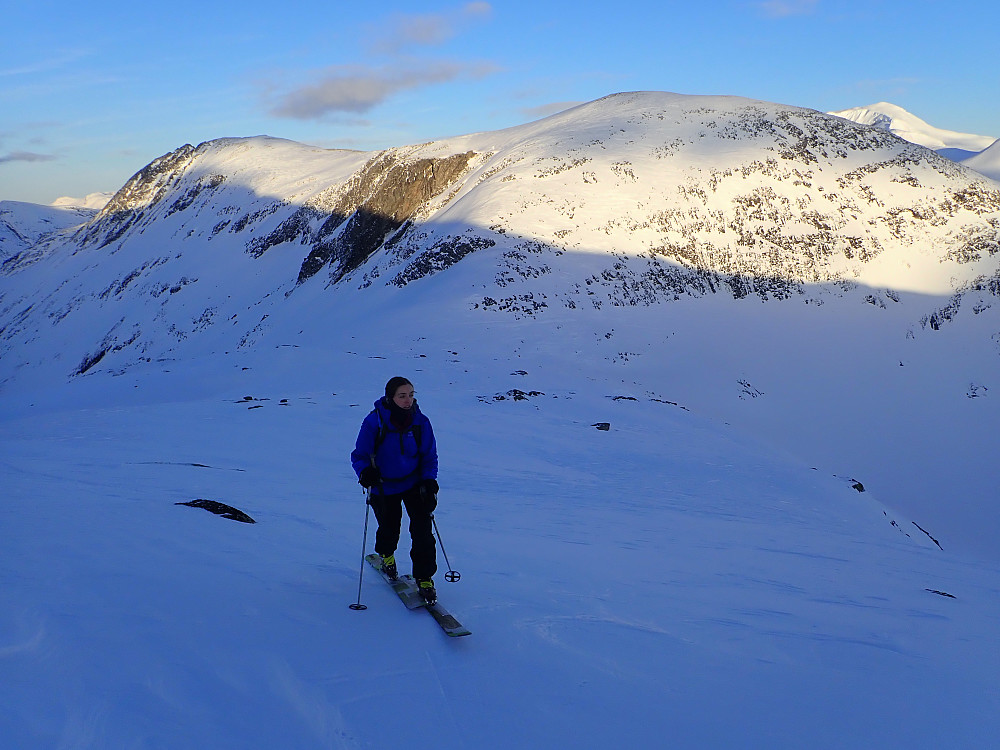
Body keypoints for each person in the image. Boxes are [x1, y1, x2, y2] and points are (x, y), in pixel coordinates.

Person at [351, 376, 440, 604]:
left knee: (422, 533)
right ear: (391, 397)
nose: (408, 400)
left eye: (411, 394)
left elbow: (429, 456)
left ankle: (425, 578)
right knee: (389, 528)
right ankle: (386, 556)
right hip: (383, 485)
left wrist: (429, 482)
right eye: (402, 395)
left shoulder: (421, 422)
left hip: (414, 484)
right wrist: (365, 473)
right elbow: (359, 455)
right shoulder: (374, 422)